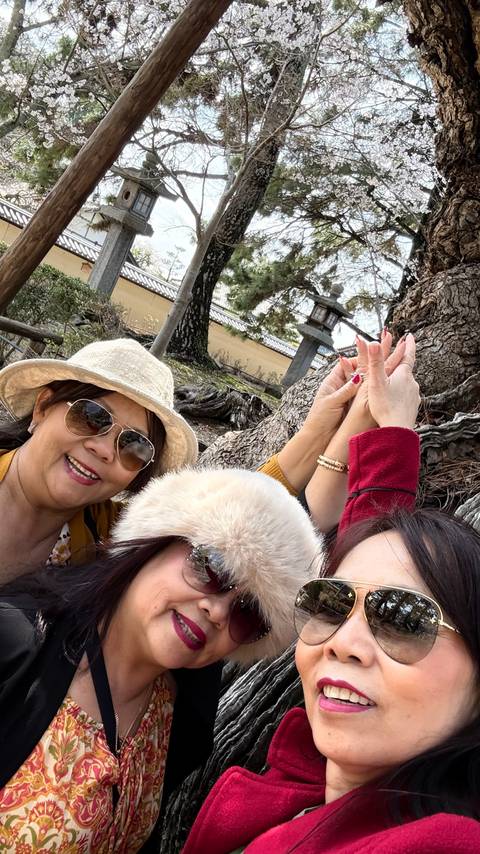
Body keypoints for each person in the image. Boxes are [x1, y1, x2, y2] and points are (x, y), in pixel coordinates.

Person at [0, 467, 322, 853]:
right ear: (153, 540)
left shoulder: (182, 707)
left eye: (248, 613)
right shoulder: (15, 640)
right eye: (211, 567)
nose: (218, 611)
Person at [182, 508, 480, 853]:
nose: (340, 643)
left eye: (405, 620)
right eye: (331, 606)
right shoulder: (292, 797)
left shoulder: (445, 844)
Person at [0, 331, 409, 578]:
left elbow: (241, 516)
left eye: (134, 445)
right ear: (41, 407)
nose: (104, 449)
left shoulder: (106, 540)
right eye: (92, 417)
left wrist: (329, 425)